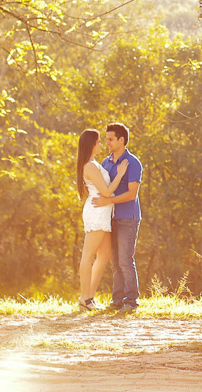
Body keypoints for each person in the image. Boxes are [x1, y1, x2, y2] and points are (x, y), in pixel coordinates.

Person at [75, 128, 128, 312]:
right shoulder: (89, 166)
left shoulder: (95, 164)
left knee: (104, 254)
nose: (101, 144)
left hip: (104, 211)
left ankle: (89, 296)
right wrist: (120, 174)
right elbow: (106, 191)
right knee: (88, 255)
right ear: (91, 144)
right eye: (98, 142)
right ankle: (85, 298)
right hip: (97, 211)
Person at [92, 122, 143, 312]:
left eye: (111, 139)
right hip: (110, 218)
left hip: (127, 218)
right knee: (115, 263)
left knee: (125, 261)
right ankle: (117, 301)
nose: (107, 143)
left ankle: (131, 302)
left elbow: (132, 194)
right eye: (106, 139)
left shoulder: (133, 163)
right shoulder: (106, 163)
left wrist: (108, 201)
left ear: (122, 140)